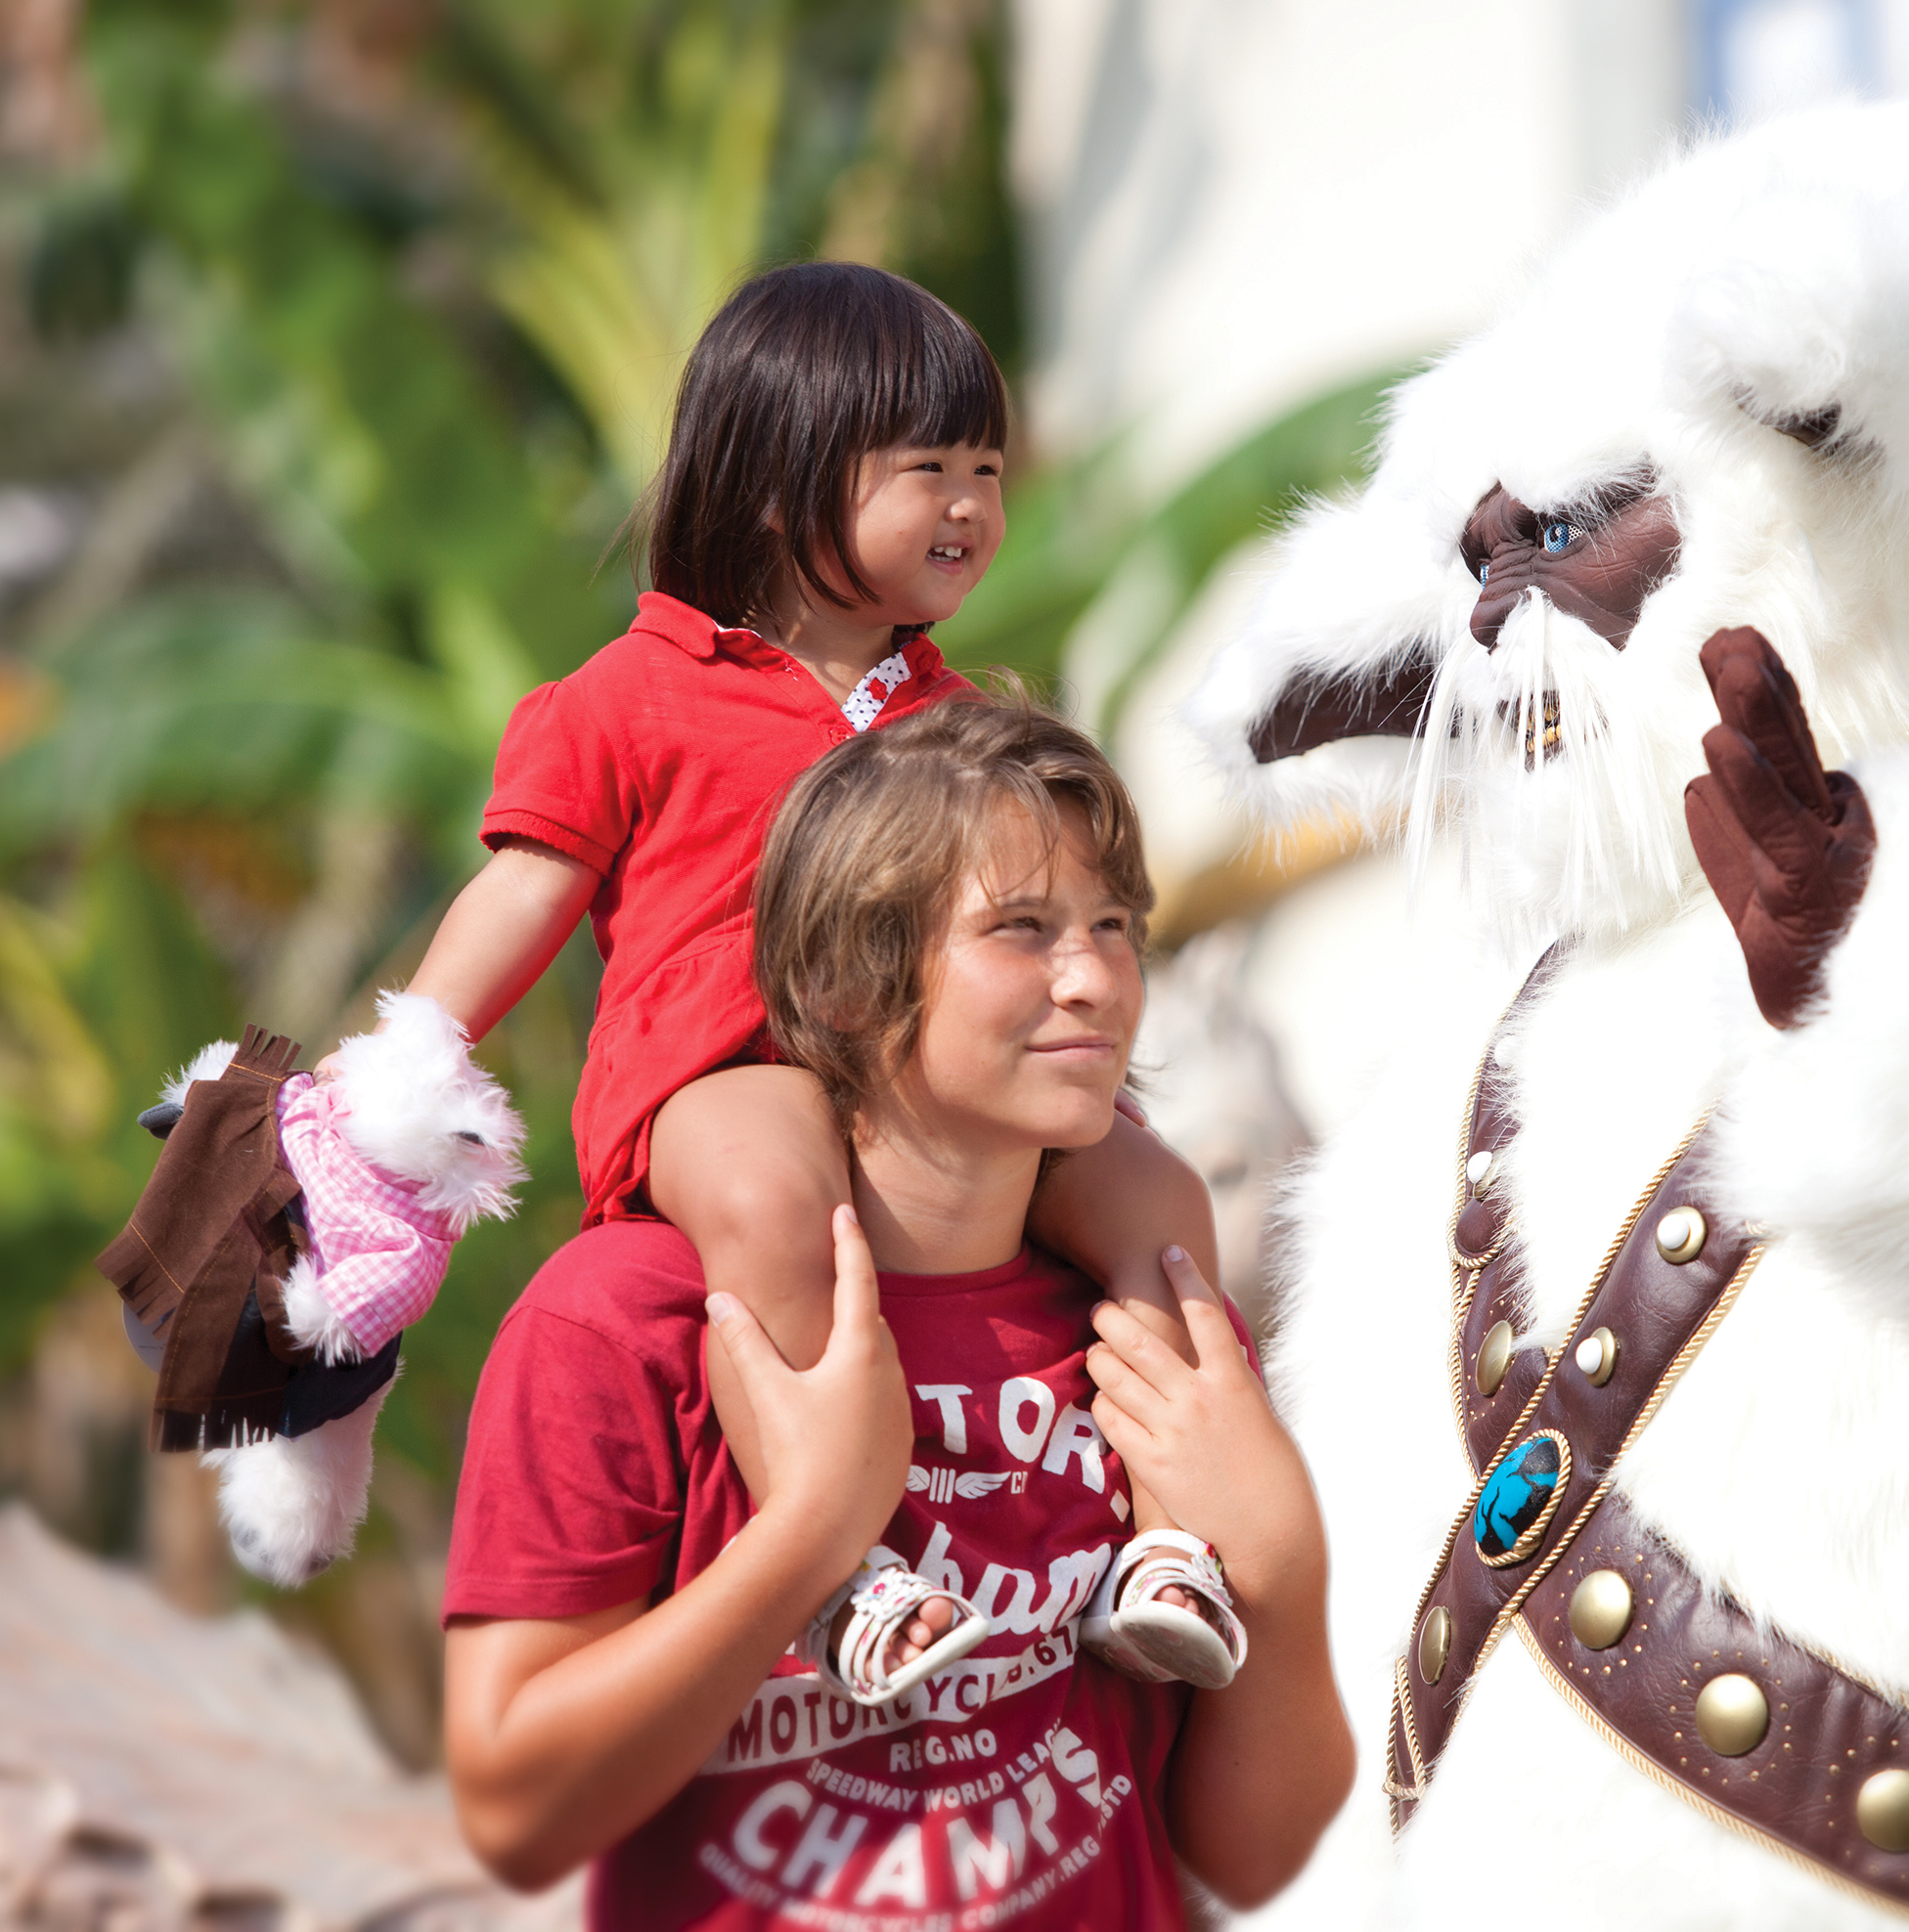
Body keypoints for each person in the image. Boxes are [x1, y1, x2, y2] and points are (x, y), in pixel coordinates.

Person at [341, 260, 1242, 1687]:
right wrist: (403, 1070)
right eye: (926, 467)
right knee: (771, 1194)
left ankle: (1176, 1541)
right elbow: (524, 886)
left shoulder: (958, 720)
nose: (970, 505)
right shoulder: (628, 696)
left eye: (990, 469)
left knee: (1157, 1197)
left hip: (935, 1084)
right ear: (777, 485)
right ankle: (840, 1573)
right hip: (723, 1073)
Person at [440, 699, 1354, 1925]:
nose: (1093, 977)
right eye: (1020, 930)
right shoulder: (625, 1323)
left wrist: (1282, 1572)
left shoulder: (1147, 1323)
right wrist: (810, 1531)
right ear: (843, 986)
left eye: (1112, 925)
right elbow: (514, 1807)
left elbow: (1250, 1857)